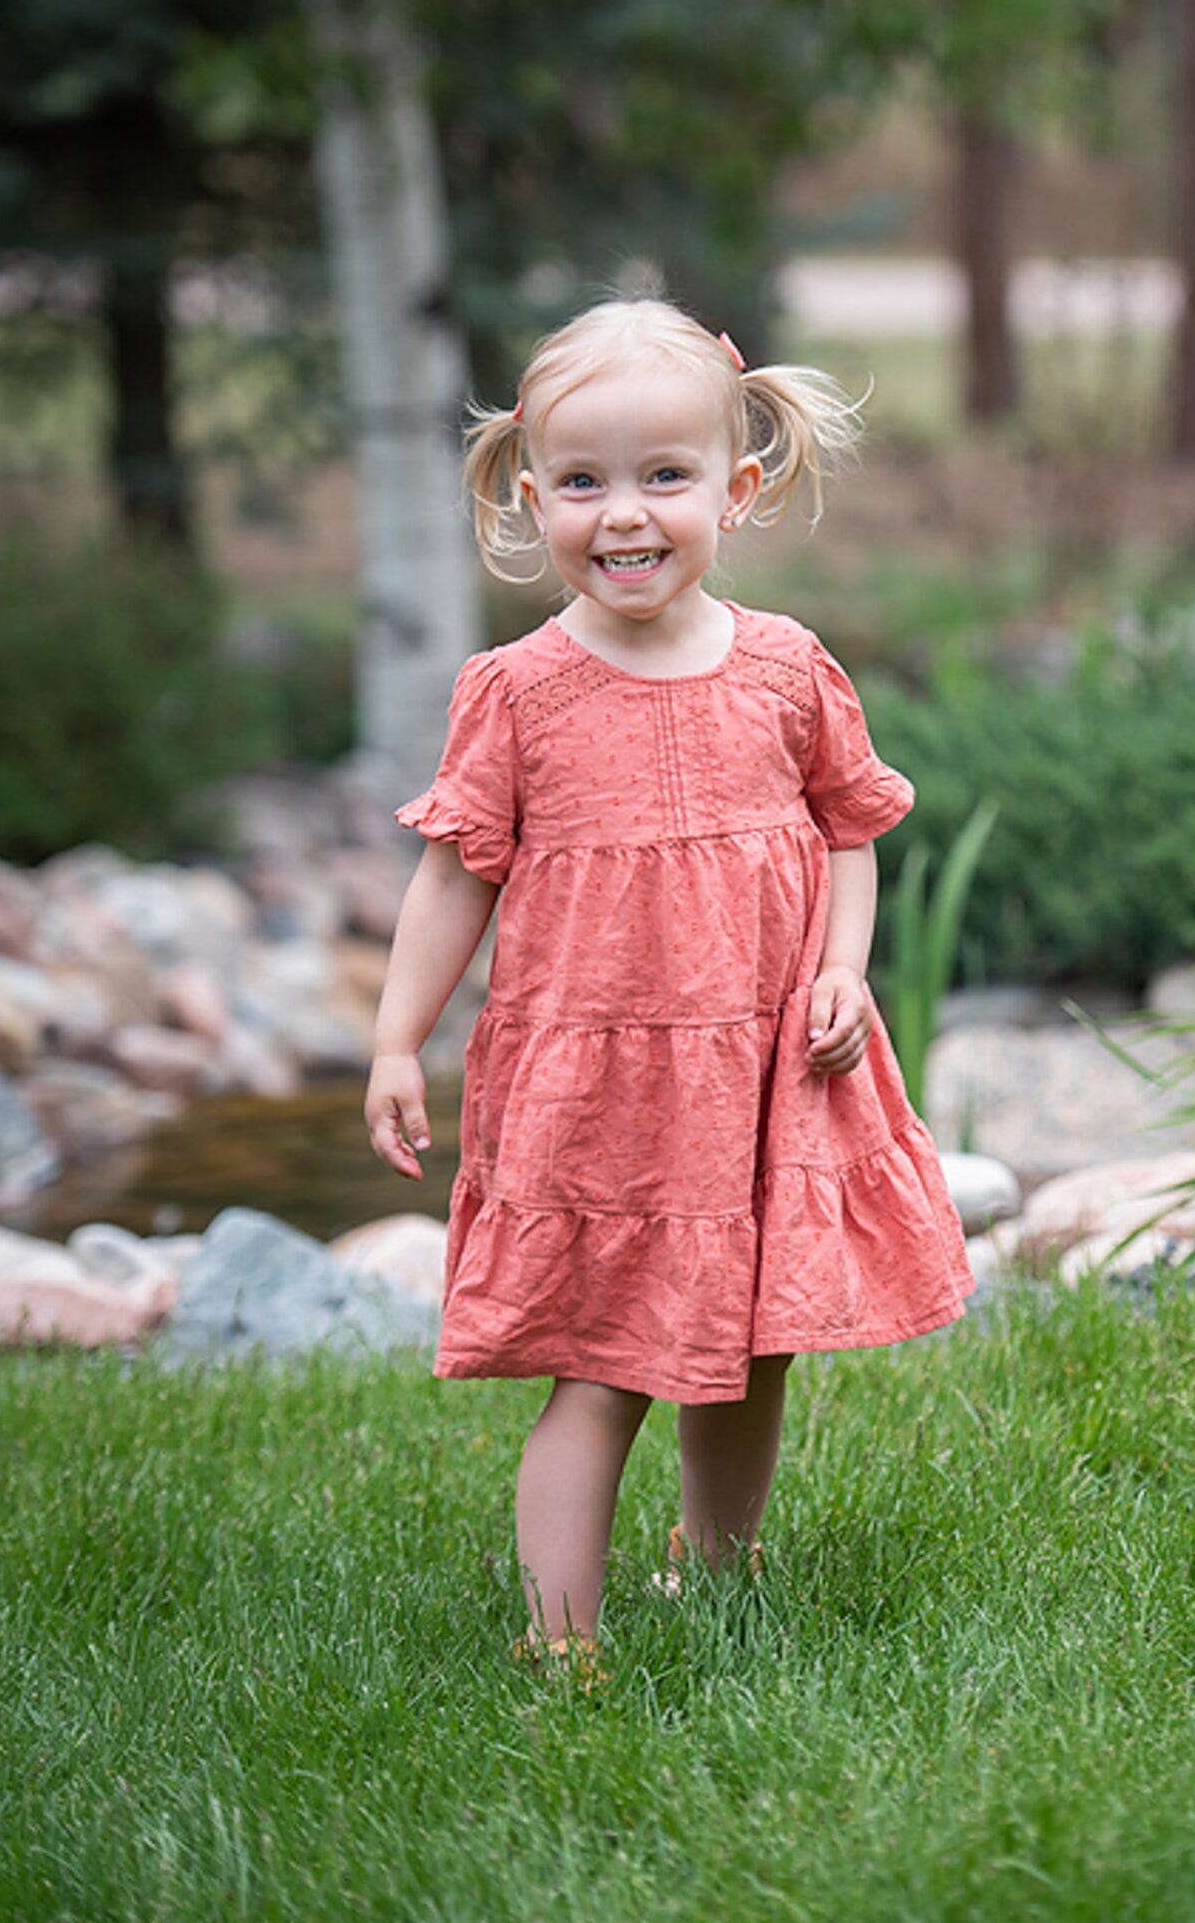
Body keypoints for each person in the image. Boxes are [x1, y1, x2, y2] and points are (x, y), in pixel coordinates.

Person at [364, 297, 973, 1673]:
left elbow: (849, 831)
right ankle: (560, 1640)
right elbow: (456, 873)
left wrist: (842, 970)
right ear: (531, 496)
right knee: (605, 1363)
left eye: (663, 476)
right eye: (581, 482)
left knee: (755, 1341)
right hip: (602, 1086)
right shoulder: (515, 692)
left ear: (735, 489)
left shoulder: (785, 670)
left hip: (761, 1068)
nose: (621, 515)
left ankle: (721, 1563)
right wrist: (398, 1040)